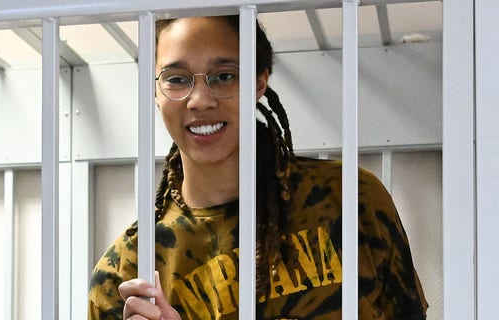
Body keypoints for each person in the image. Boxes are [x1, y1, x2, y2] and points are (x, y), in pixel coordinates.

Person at [88, 15, 428, 320]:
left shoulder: (351, 199)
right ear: (156, 92)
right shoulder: (125, 271)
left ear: (258, 83)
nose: (201, 100)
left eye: (223, 76)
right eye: (177, 79)